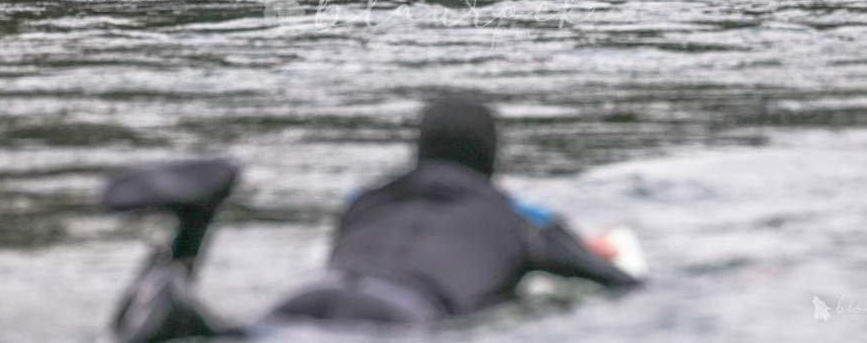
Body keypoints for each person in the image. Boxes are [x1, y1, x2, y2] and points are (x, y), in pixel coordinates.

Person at [104, 94, 641, 342]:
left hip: (313, 295)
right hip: (398, 319)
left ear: (420, 149)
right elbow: (617, 283)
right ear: (492, 159)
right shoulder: (516, 219)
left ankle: (187, 242)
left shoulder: (367, 200)